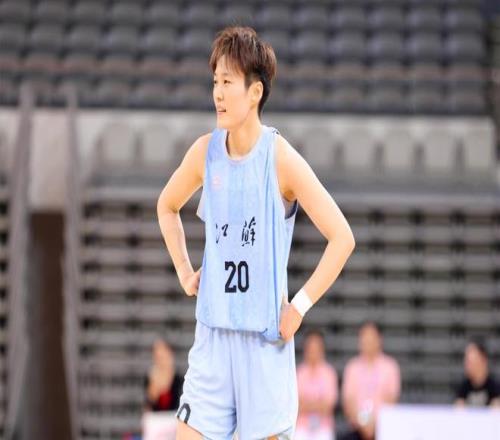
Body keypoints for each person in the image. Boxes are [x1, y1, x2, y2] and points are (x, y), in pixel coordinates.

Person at [157, 26, 355, 440]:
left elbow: (342, 237)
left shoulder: (280, 158)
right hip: (213, 340)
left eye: (228, 82)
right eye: (215, 82)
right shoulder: (204, 152)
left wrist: (299, 307)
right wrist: (185, 271)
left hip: (263, 345)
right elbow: (166, 206)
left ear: (255, 92)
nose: (217, 93)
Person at [340, 322, 400, 440]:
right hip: (357, 430)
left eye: (371, 338)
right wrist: (363, 423)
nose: (367, 341)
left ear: (379, 340)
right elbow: (349, 402)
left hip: (382, 429)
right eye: (364, 338)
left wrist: (374, 423)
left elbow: (391, 400)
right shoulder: (352, 367)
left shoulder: (390, 367)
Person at [296, 329, 338, 440]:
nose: (313, 352)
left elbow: (328, 405)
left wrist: (307, 404)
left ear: (322, 349)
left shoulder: (329, 372)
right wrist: (318, 404)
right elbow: (296, 406)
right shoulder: (299, 372)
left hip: (323, 427)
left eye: (316, 348)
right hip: (302, 427)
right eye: (310, 348)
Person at [455, 338, 500, 407]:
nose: (466, 365)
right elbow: (458, 408)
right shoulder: (463, 388)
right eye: (466, 360)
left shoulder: (494, 388)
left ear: (483, 359)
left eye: (470, 361)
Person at [144, 338, 183, 412]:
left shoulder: (177, 378)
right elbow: (149, 403)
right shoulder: (151, 376)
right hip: (156, 416)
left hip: (173, 415)